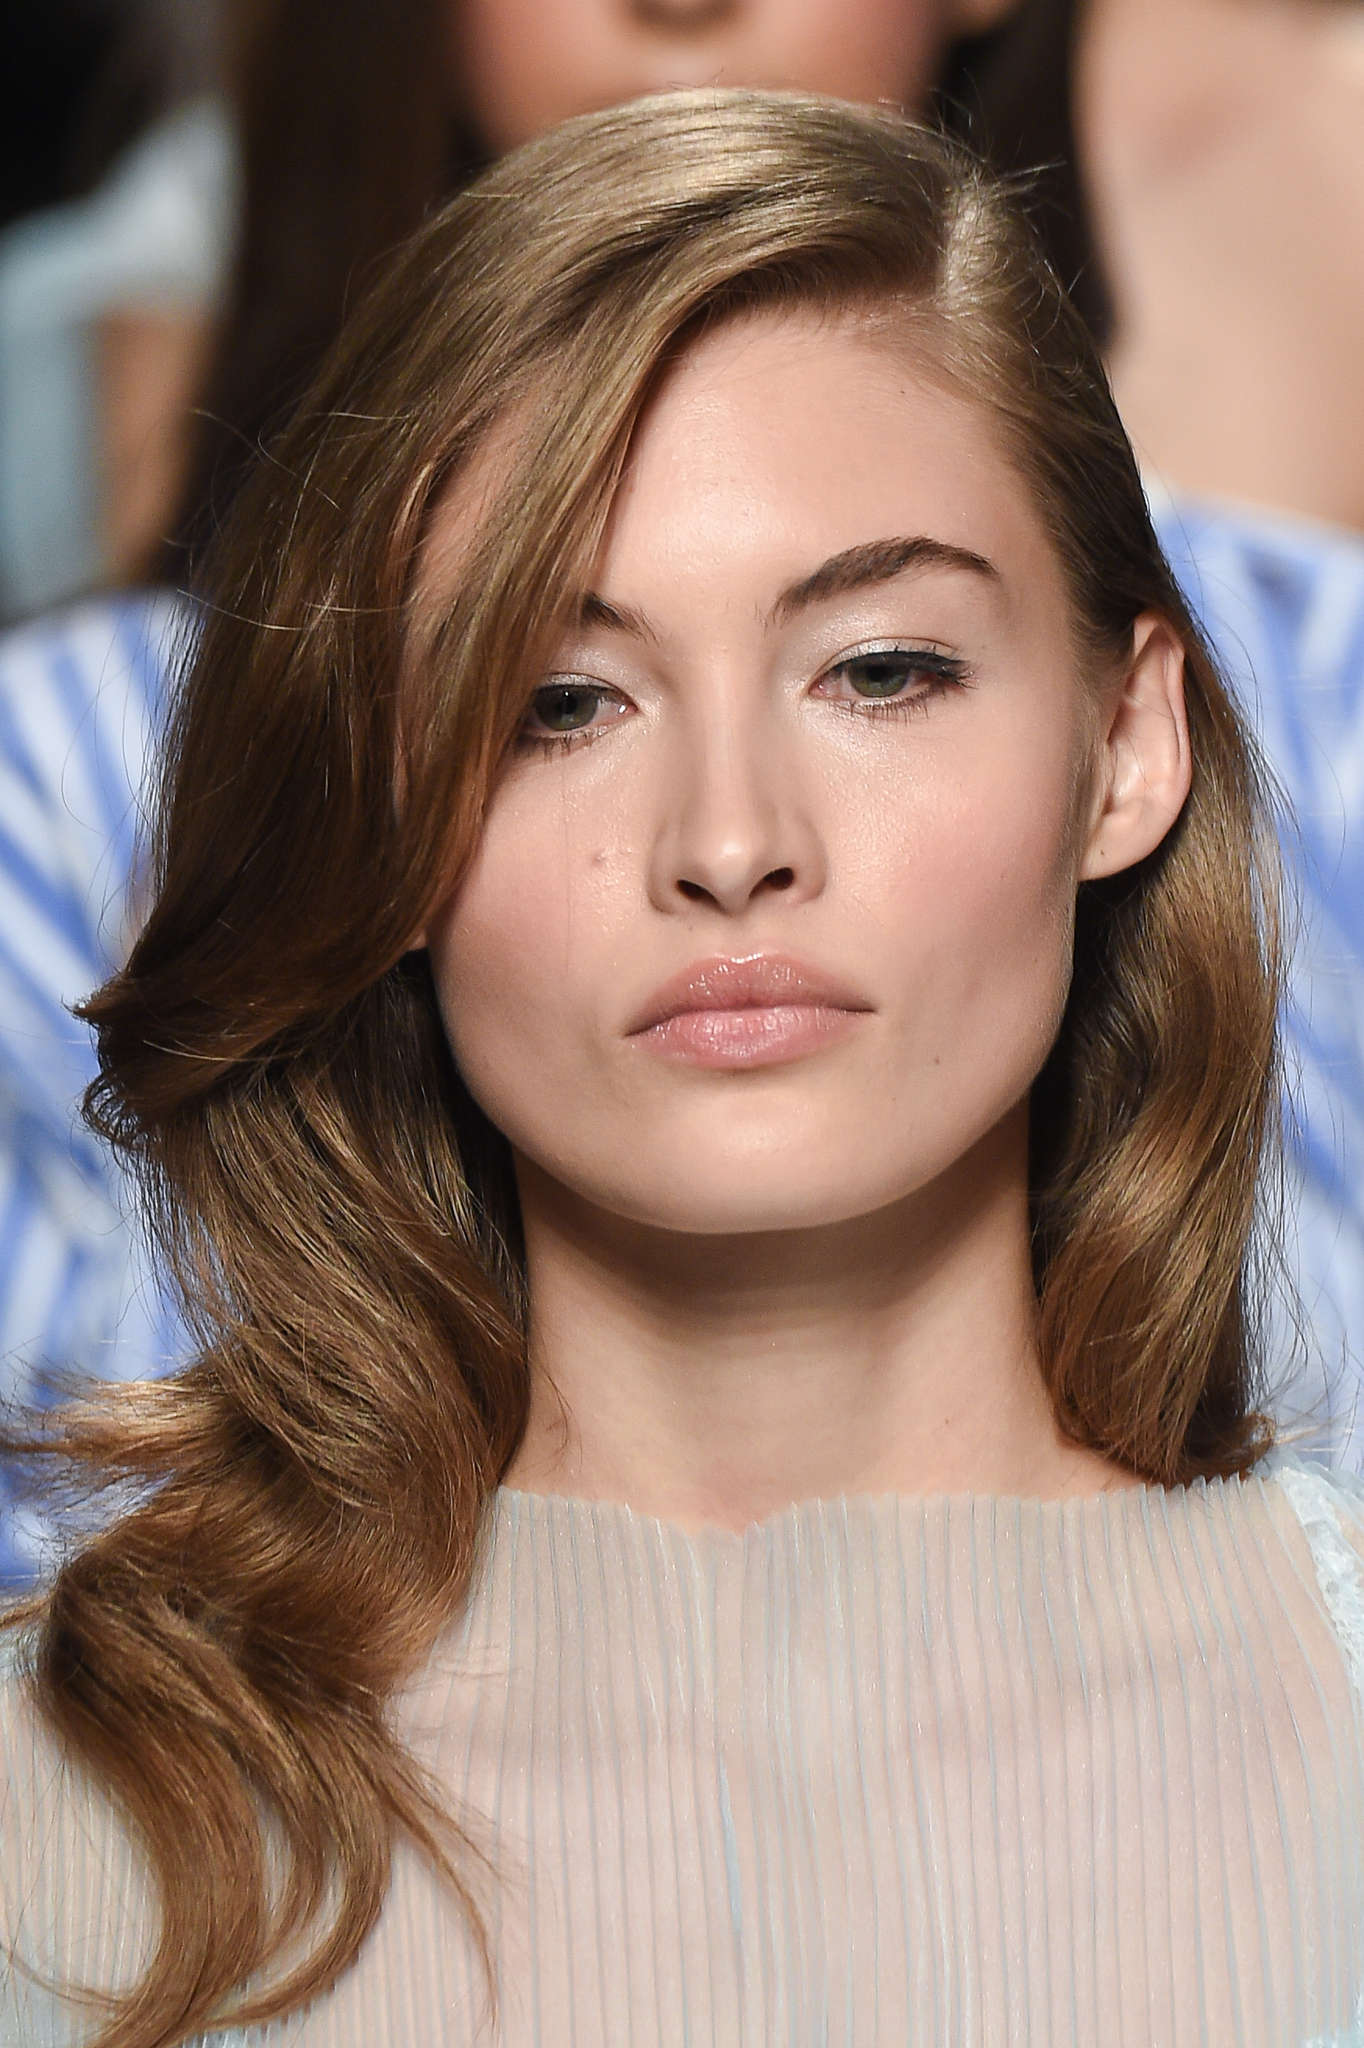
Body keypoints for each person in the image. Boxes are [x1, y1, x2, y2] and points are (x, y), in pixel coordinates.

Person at [3, 91, 1364, 2047]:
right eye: (560, 702)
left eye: (879, 669)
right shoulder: (59, 1812)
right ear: (387, 812)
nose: (729, 841)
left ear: (1126, 745)